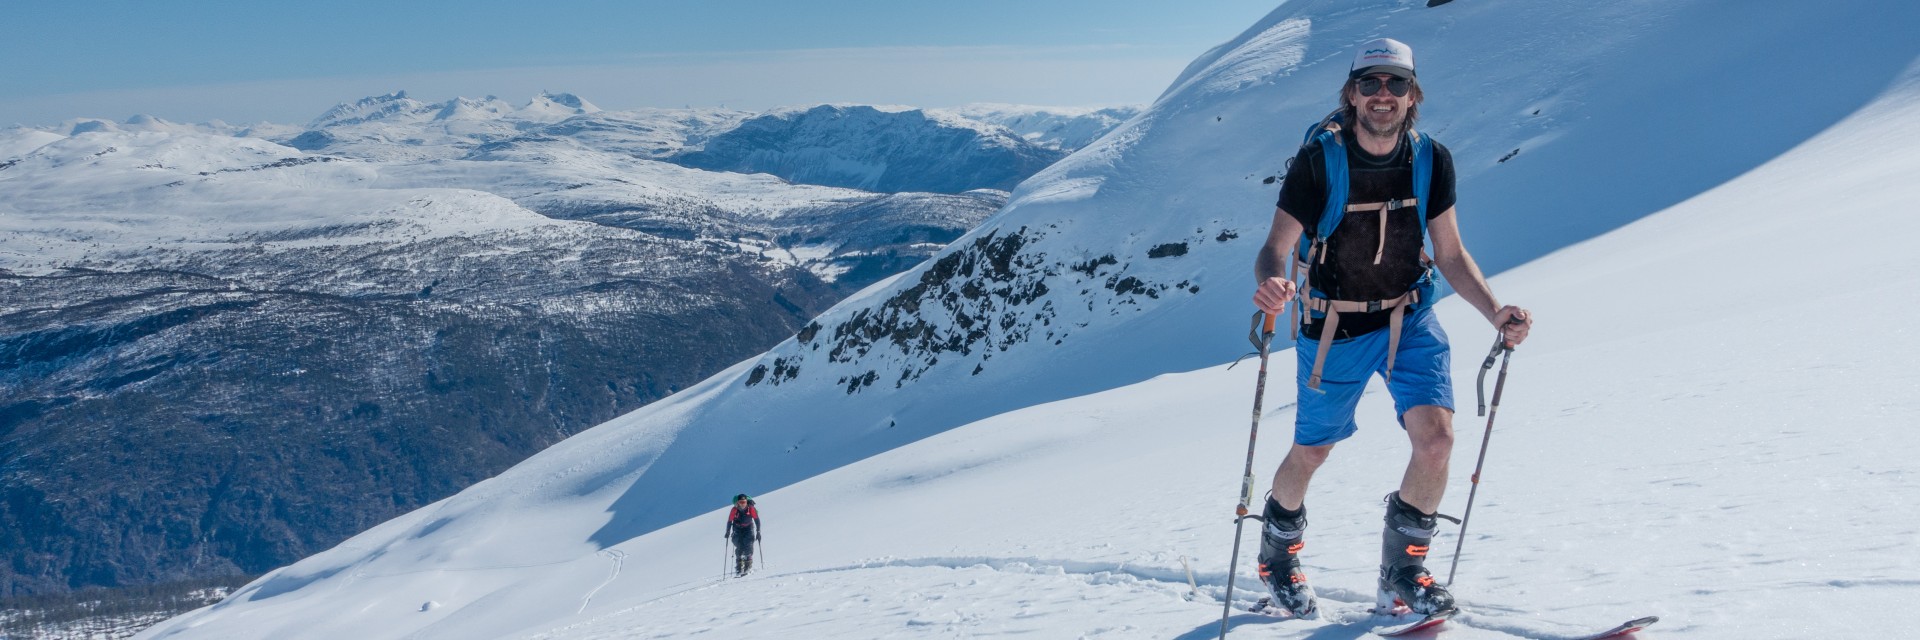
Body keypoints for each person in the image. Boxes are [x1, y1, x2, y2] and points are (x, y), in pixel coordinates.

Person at [1249, 37, 1532, 618]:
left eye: (1395, 84)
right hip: (1335, 328)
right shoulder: (1318, 162)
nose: (1383, 95)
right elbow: (1274, 248)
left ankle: (1403, 572)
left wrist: (1495, 311)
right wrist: (1273, 283)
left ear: (1412, 95)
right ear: (1351, 94)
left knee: (1438, 440)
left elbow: (1449, 254)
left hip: (1411, 316)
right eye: (1371, 83)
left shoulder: (1432, 159)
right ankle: (1278, 557)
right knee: (1312, 451)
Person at [725, 494, 761, 576]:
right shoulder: (734, 510)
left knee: (748, 544)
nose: (743, 504)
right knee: (739, 546)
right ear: (737, 503)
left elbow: (756, 520)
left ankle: (748, 565)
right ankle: (739, 566)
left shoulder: (751, 509)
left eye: (744, 502)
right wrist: (727, 531)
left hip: (748, 528)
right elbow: (730, 521)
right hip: (737, 529)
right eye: (741, 502)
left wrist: (758, 531)